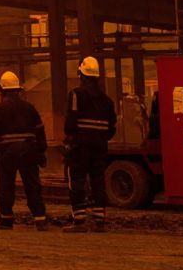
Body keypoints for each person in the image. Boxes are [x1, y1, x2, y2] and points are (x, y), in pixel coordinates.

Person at [0, 71, 47, 230]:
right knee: (32, 185)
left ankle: (6, 220)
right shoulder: (29, 107)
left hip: (7, 153)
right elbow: (40, 131)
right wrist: (41, 151)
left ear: (1, 89)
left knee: (6, 185)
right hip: (29, 151)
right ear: (18, 90)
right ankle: (40, 219)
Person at [64, 56, 117, 233]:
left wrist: (71, 140)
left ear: (82, 76)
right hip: (100, 146)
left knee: (77, 181)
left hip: (80, 146)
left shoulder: (76, 94)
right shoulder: (108, 101)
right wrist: (100, 138)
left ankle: (79, 221)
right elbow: (111, 128)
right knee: (98, 181)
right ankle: (99, 220)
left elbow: (70, 124)